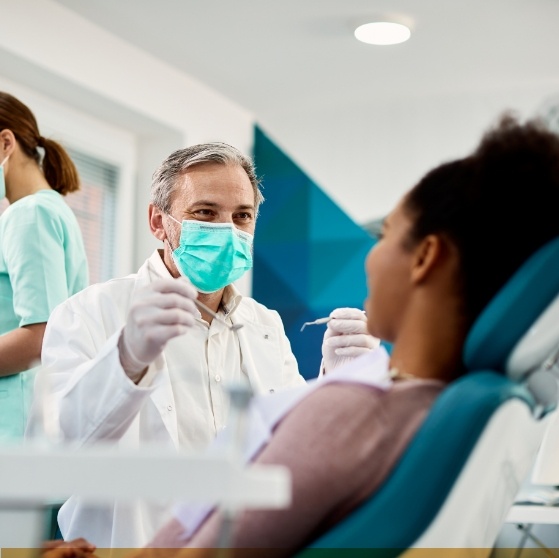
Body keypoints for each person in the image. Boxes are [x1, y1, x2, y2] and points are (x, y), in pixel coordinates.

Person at [139, 115, 559, 556]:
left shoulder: (349, 413)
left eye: (386, 233)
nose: (369, 258)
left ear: (426, 258)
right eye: (206, 213)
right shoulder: (460, 407)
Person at [29, 142, 376, 548]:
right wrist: (127, 359)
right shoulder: (90, 311)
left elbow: (290, 451)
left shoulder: (265, 325)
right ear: (159, 222)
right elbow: (63, 450)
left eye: (242, 216)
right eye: (205, 213)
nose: (227, 230)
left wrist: (333, 383)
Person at [0, 91, 88, 443]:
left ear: (5, 142)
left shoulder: (29, 215)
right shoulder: (49, 210)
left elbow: (41, 336)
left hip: (18, 427)